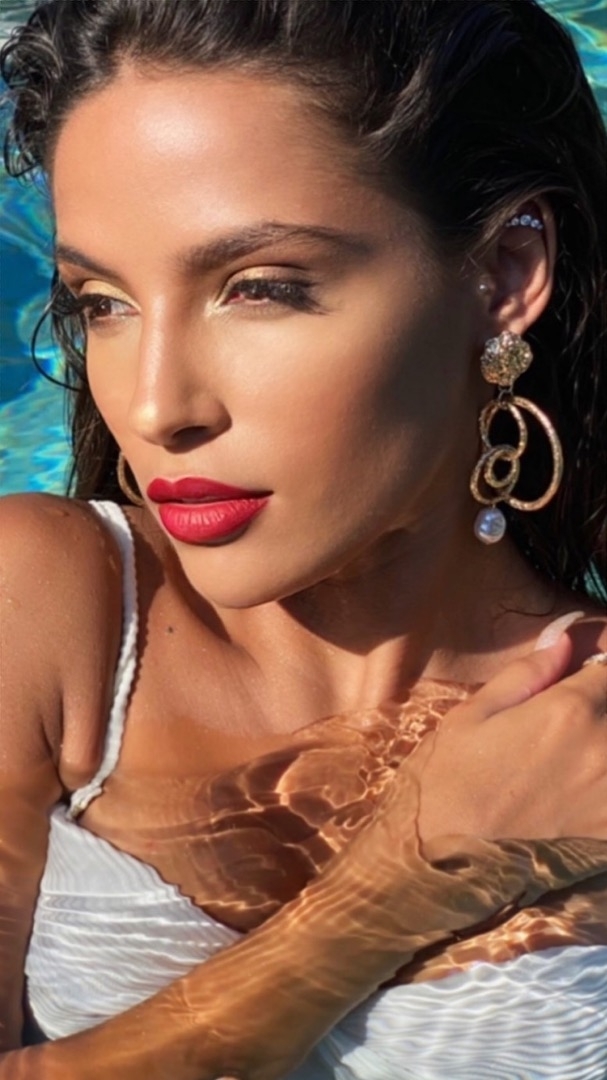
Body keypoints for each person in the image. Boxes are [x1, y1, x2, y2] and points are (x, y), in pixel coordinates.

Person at [0, 0, 606, 1076]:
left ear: (507, 273)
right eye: (102, 301)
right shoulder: (49, 609)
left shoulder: (589, 733)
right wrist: (396, 886)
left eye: (261, 289)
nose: (155, 406)